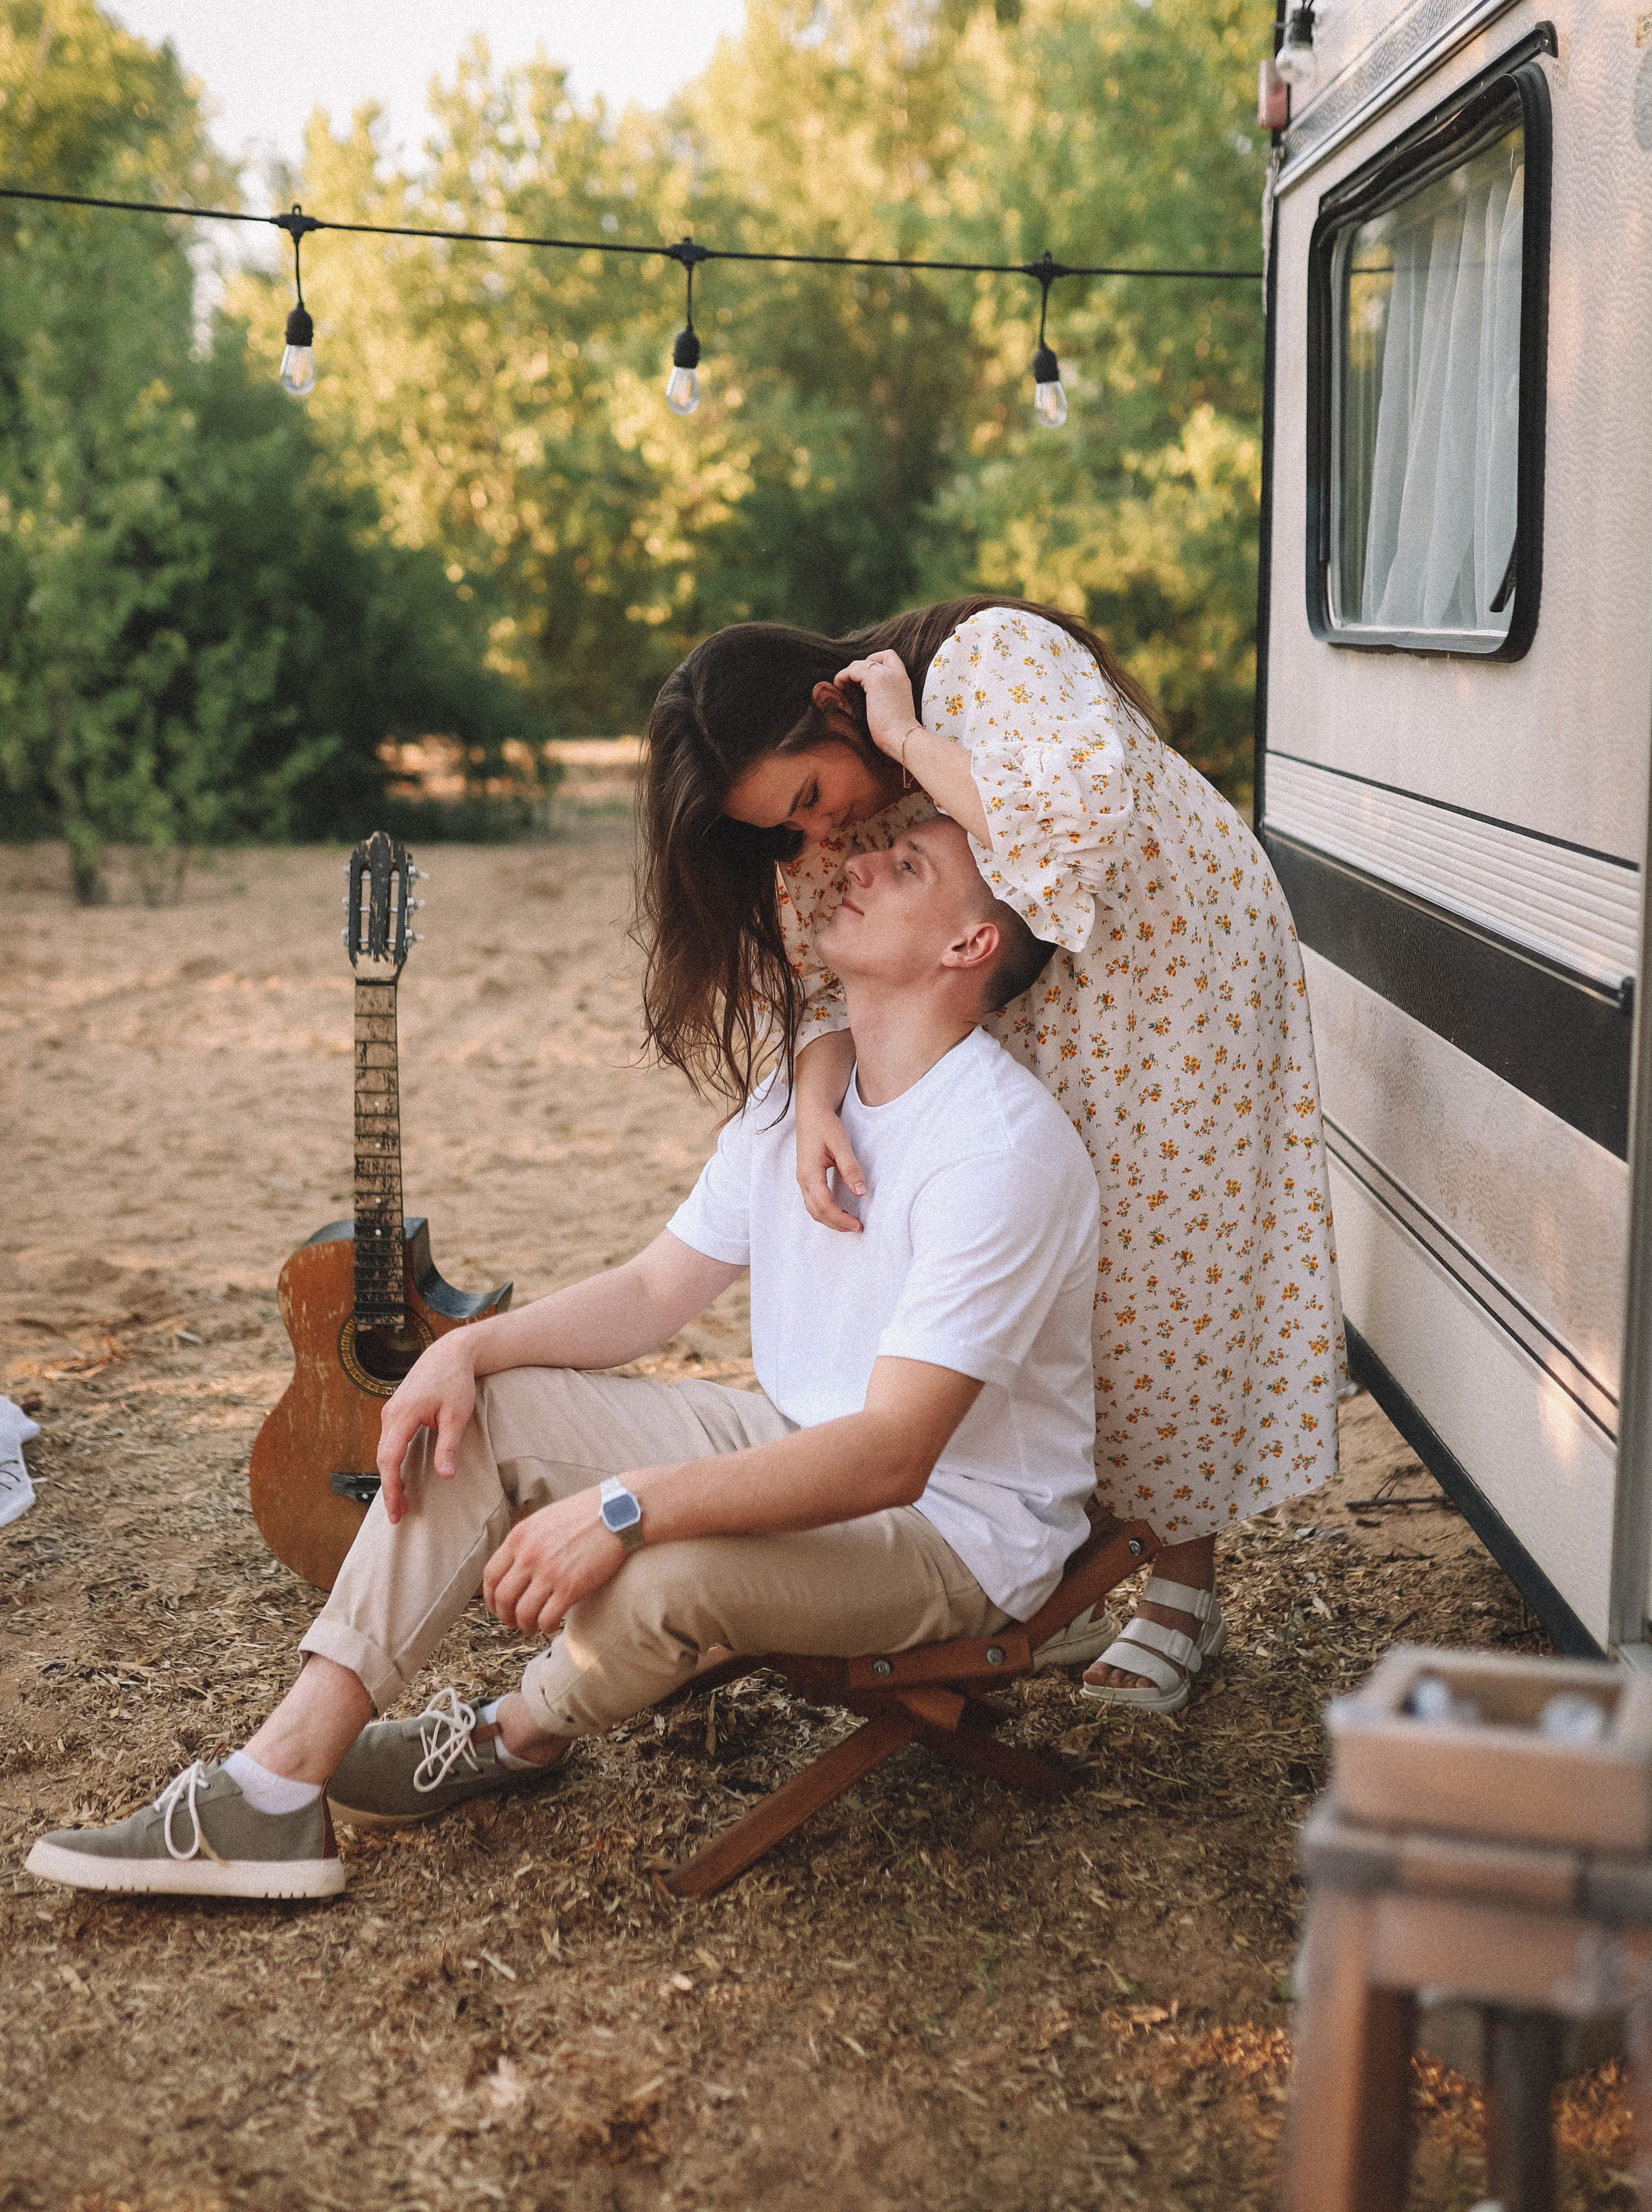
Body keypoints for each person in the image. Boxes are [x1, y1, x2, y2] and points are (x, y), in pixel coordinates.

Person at [27, 815, 1103, 1902]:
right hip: (799, 1442)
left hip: (955, 1534)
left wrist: (625, 1505)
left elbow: (891, 1458)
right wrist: (468, 1351)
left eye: (905, 865)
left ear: (969, 947)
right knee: (480, 1411)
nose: (855, 865)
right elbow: (649, 1293)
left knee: (656, 1577)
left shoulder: (1000, 1153)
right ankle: (275, 1783)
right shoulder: (799, 1096)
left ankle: (514, 1734)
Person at [639, 597, 1344, 1712]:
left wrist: (915, 743)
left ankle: (1182, 1588)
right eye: (783, 828)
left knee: (1162, 1277)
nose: (814, 836)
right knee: (1039, 1270)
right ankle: (1030, 1569)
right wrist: (819, 1085)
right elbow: (834, 990)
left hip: (1172, 967)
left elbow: (1063, 836)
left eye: (810, 797)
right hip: (1037, 994)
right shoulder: (843, 823)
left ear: (836, 707)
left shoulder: (987, 662)